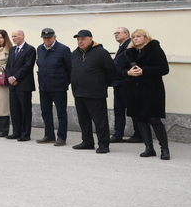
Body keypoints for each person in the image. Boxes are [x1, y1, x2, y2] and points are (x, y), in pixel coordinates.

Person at [125, 29, 171, 160]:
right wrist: (128, 73)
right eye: (133, 37)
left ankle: (164, 149)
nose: (135, 39)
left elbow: (164, 69)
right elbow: (121, 69)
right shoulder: (130, 53)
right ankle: (149, 148)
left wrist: (144, 70)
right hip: (135, 90)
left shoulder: (155, 50)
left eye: (138, 36)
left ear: (146, 37)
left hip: (152, 91)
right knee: (140, 118)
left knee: (154, 119)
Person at [69, 30, 115, 153]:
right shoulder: (75, 54)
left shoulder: (101, 53)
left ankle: (103, 144)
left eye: (83, 39)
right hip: (78, 92)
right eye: (78, 39)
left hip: (95, 93)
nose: (80, 41)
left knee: (100, 121)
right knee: (83, 120)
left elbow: (110, 71)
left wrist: (101, 84)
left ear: (91, 39)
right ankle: (87, 141)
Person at [35, 28, 71, 146]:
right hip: (44, 86)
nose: (47, 40)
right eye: (44, 38)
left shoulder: (63, 49)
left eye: (49, 37)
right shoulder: (39, 49)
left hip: (58, 86)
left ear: (54, 37)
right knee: (45, 111)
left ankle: (61, 137)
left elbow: (70, 69)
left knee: (61, 113)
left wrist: (66, 83)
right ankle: (49, 135)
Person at [110, 27, 141, 144]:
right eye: (115, 33)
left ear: (126, 34)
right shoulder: (122, 47)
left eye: (118, 33)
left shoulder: (130, 46)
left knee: (133, 109)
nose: (116, 35)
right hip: (118, 82)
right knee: (118, 110)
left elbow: (131, 63)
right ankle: (118, 134)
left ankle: (139, 134)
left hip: (127, 82)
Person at [5, 30, 36, 141]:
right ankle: (16, 132)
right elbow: (8, 65)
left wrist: (16, 77)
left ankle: (25, 134)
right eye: (12, 36)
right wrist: (9, 77)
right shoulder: (12, 50)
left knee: (25, 109)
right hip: (12, 85)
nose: (13, 38)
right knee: (14, 109)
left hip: (24, 85)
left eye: (15, 36)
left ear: (22, 36)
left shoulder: (30, 49)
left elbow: (27, 66)